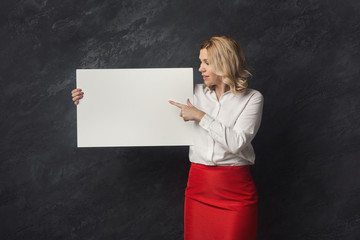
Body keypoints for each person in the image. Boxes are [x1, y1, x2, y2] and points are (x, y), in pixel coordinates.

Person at [71, 35, 263, 240]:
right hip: (199, 189)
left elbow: (236, 143)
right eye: (200, 62)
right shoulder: (191, 92)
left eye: (207, 63)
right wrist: (89, 98)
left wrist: (200, 116)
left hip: (236, 192)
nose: (200, 68)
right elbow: (137, 102)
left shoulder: (252, 98)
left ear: (225, 63)